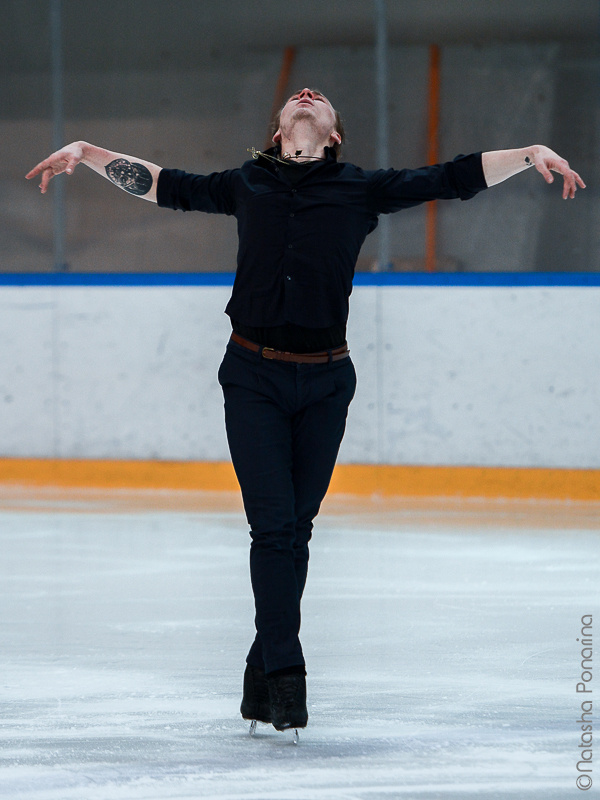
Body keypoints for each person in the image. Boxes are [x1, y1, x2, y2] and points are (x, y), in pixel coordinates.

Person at [26, 87, 585, 735]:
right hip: (252, 376)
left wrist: (529, 152)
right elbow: (167, 185)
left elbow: (450, 177)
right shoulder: (247, 183)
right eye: (297, 97)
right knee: (273, 529)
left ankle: (260, 667)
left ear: (332, 133)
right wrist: (88, 153)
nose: (307, 94)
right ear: (280, 127)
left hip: (326, 382)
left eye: (318, 100)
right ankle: (286, 673)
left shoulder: (361, 188)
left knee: (298, 526)